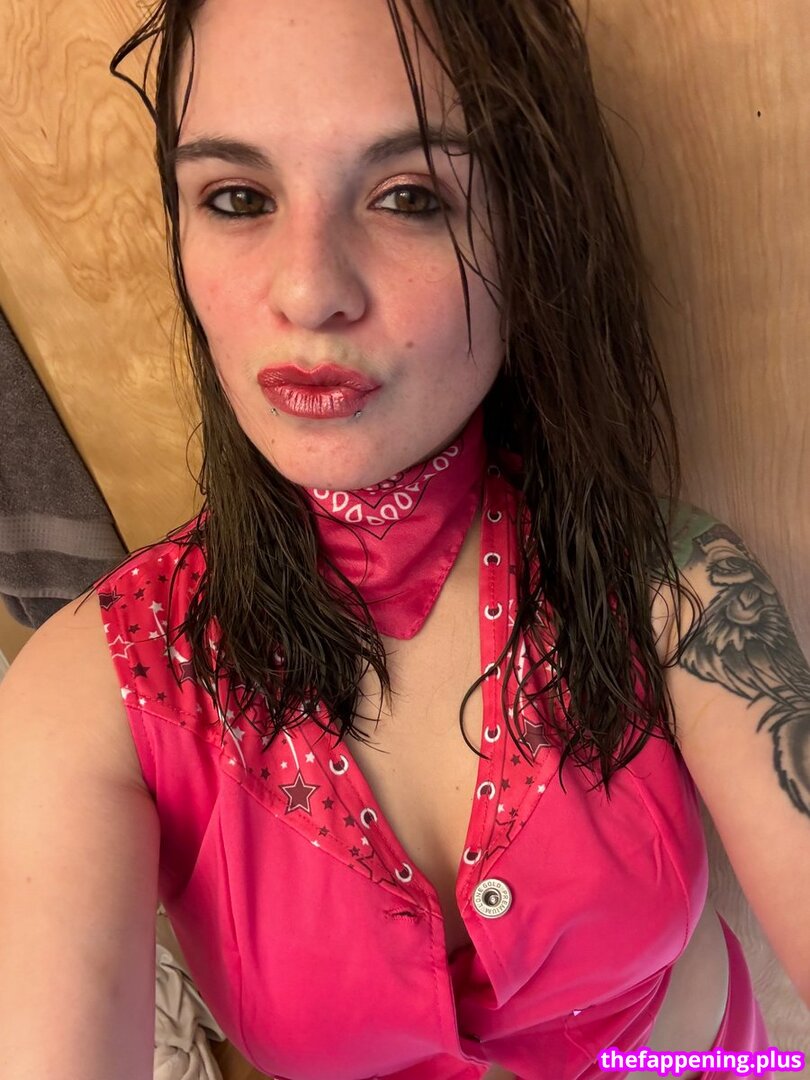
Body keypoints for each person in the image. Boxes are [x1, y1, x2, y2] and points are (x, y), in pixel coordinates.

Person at [1, 1, 808, 1078]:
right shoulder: (94, 692)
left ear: (527, 232)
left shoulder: (675, 585)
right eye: (237, 198)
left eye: (410, 197)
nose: (308, 291)